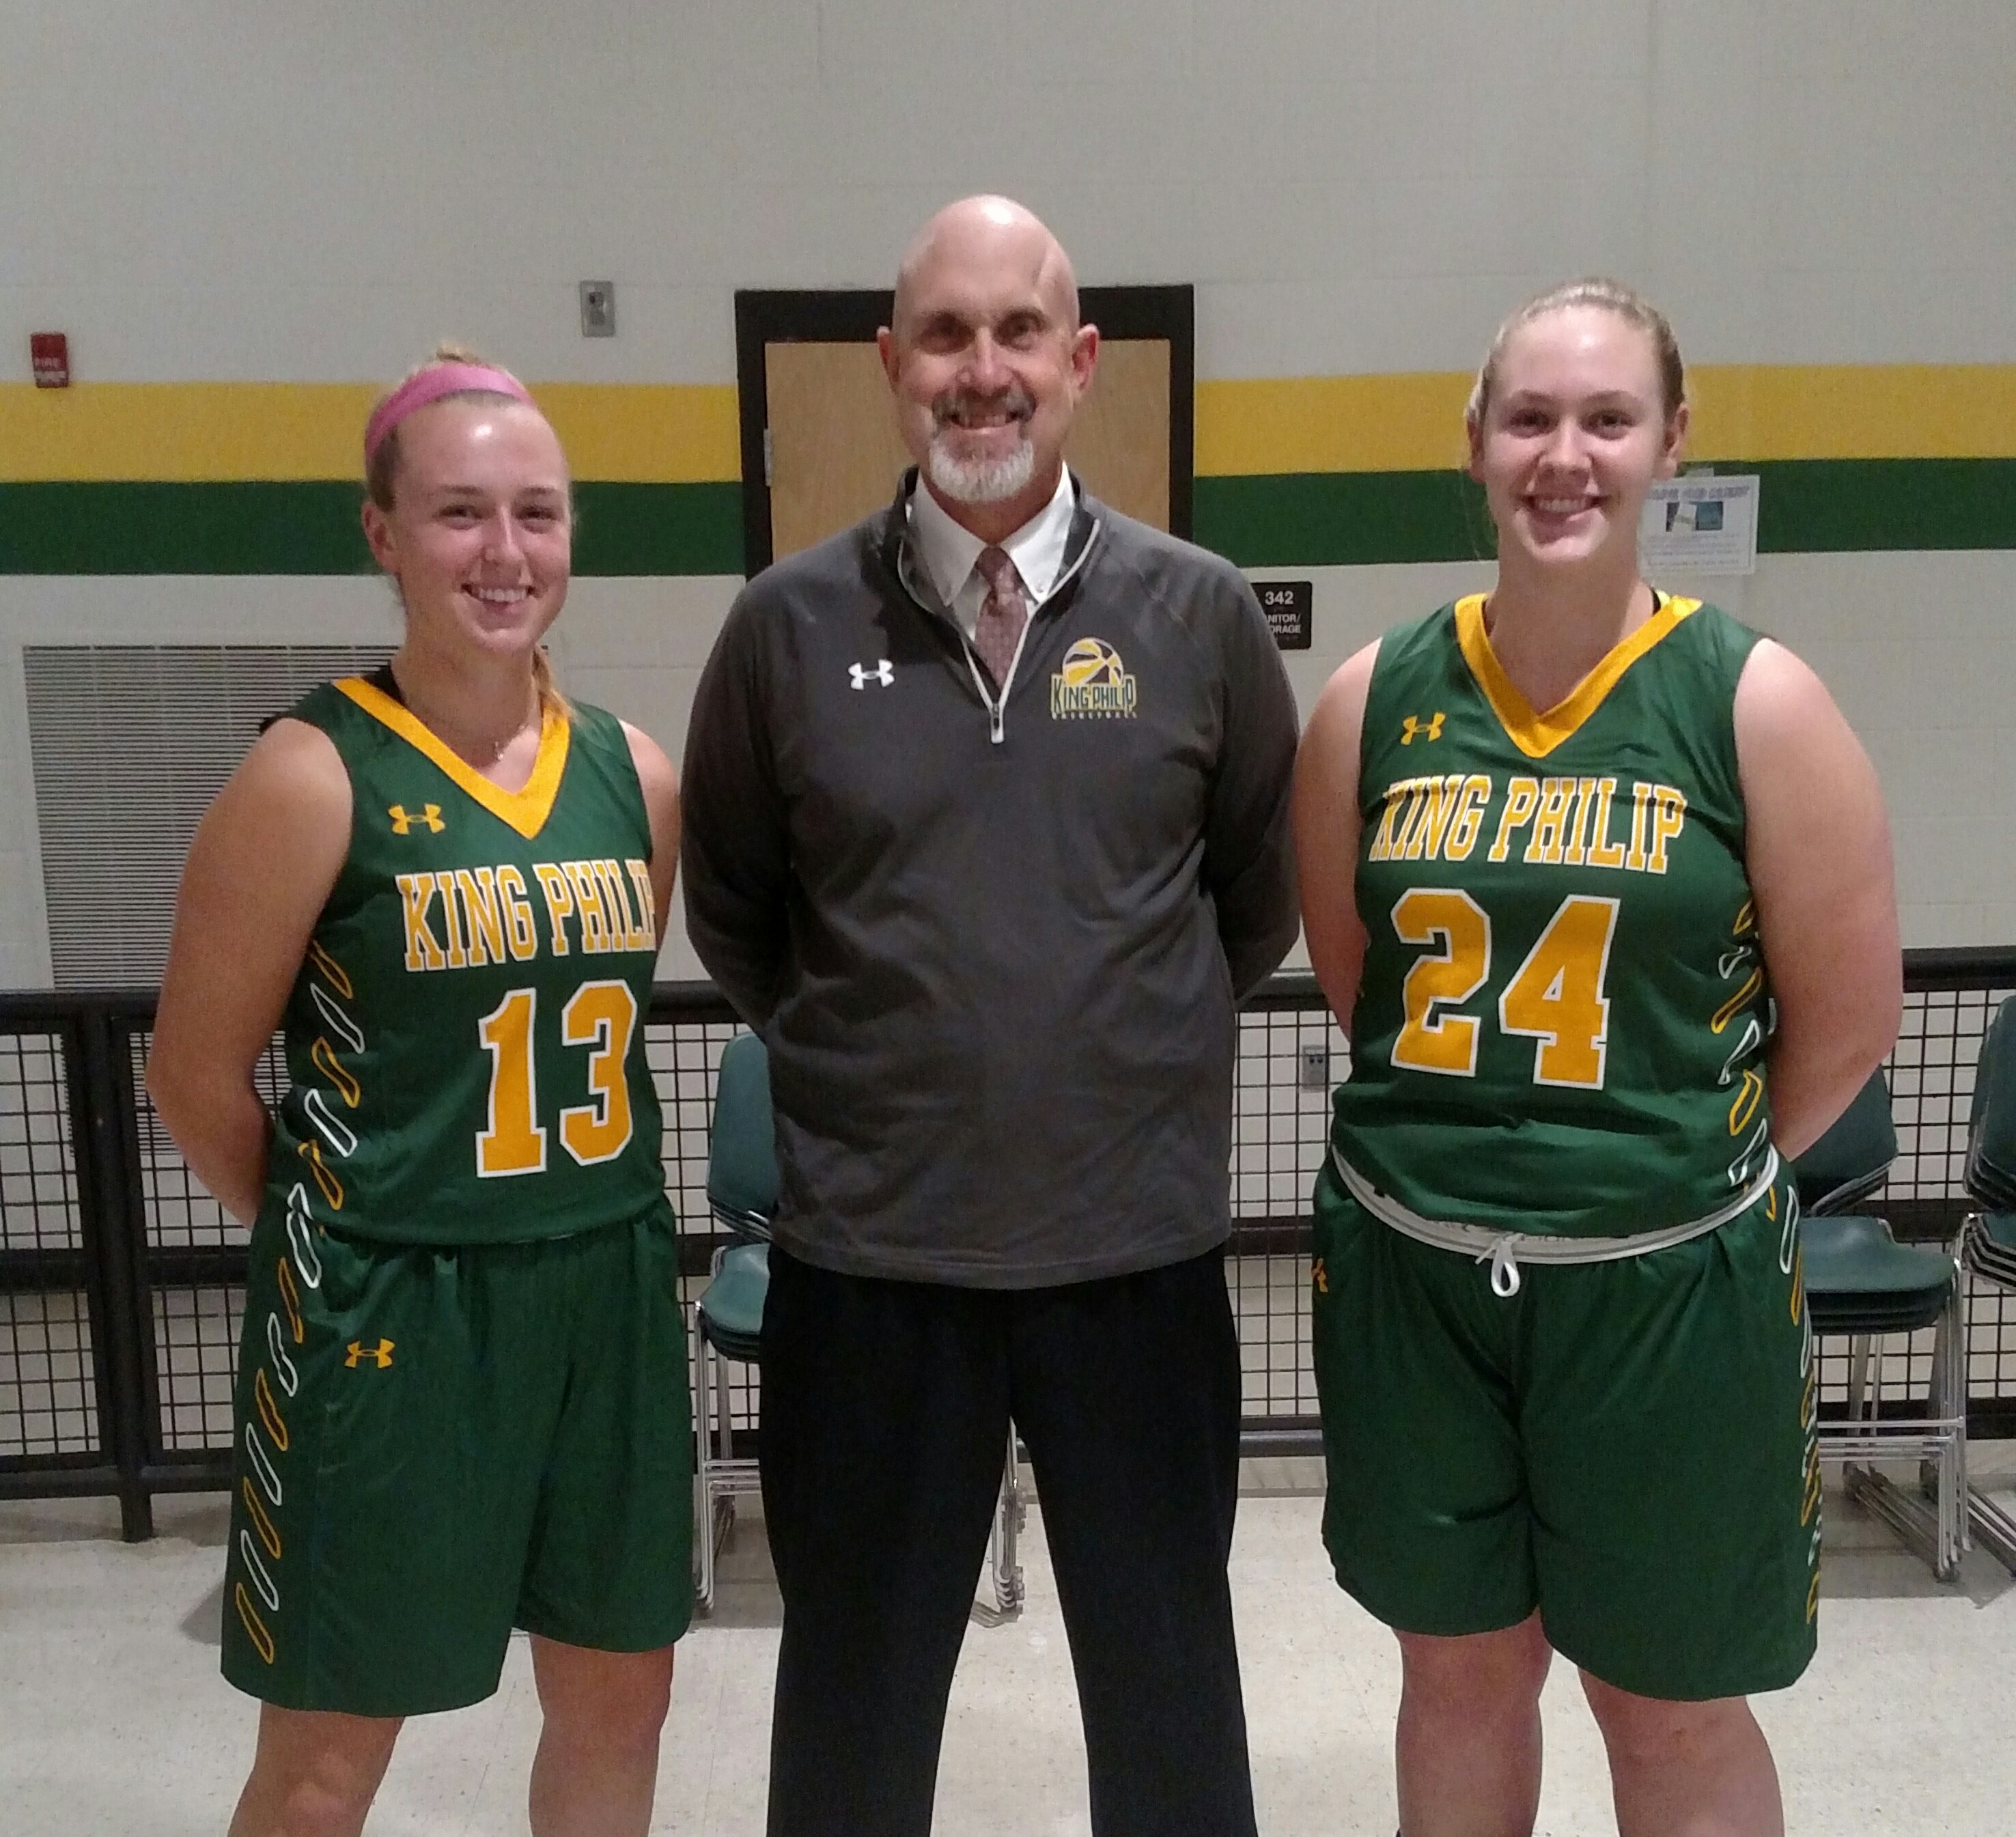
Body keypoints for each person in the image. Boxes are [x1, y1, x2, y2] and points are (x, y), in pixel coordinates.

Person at [680, 195, 1300, 1837]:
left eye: (1017, 330)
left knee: (1173, 1712)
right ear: (892, 366)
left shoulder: (1201, 616)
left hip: (1136, 1268)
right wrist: (898, 1053)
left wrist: (1103, 1040)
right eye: (945, 335)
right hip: (875, 1275)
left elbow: (1249, 904)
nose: (982, 370)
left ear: (1080, 360)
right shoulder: (784, 630)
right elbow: (740, 915)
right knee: (853, 1723)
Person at [1292, 278, 1901, 1837]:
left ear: (1669, 443)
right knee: (1458, 1675)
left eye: (1608, 419)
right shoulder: (1371, 700)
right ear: (1477, 445)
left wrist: (1659, 1171)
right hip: (1421, 1278)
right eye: (1533, 418)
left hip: (1665, 1291)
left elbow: (1844, 1033)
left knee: (1674, 1706)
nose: (1567, 455)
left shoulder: (1756, 702)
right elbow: (1363, 996)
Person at [146, 347, 690, 1837]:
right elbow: (192, 1077)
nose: (504, 552)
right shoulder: (311, 774)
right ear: (384, 533)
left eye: (539, 513)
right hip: (392, 1311)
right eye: (460, 513)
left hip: (604, 1286)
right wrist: (340, 1234)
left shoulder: (633, 774)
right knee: (331, 1753)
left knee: (621, 1704)